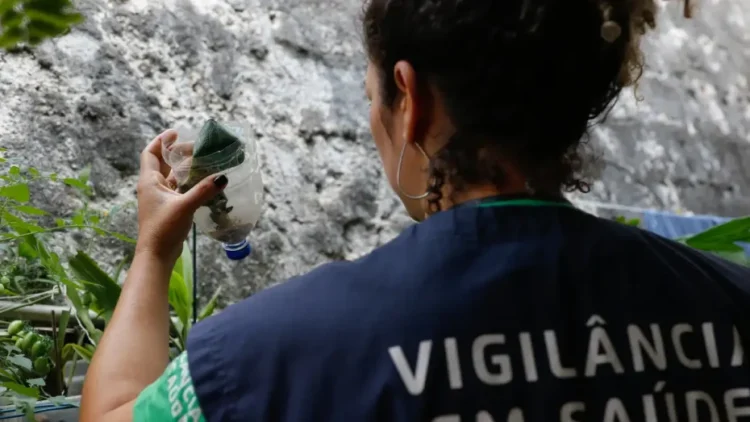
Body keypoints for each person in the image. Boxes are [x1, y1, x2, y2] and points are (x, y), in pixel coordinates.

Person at [80, 0, 750, 421]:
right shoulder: (732, 303)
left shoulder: (261, 360)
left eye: (375, 95)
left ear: (412, 99)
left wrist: (152, 252)